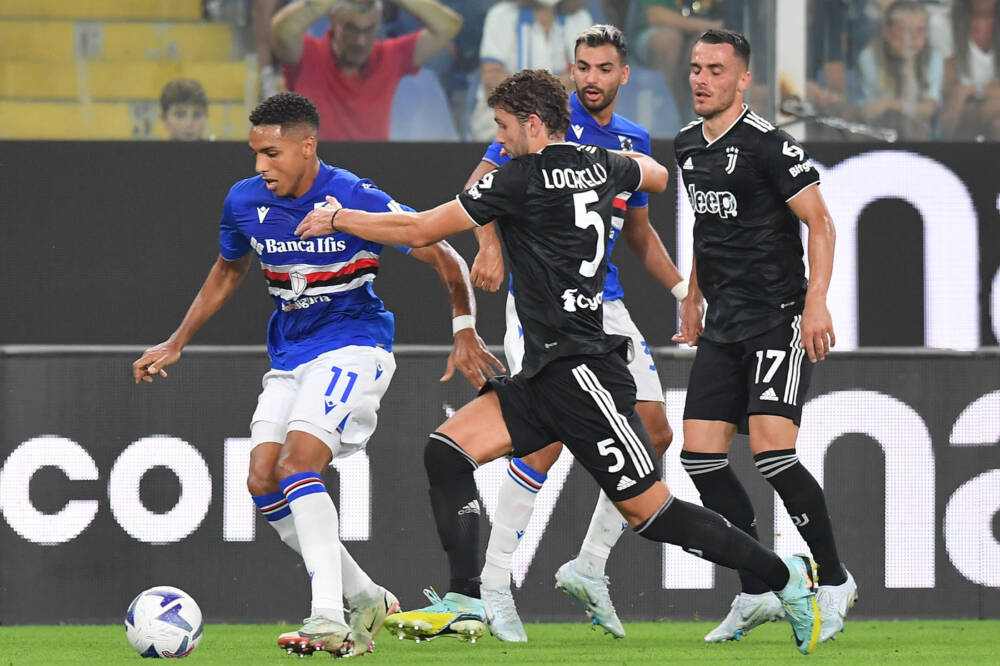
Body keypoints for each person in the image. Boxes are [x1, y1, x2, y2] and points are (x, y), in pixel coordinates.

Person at [296, 68, 824, 656]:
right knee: (445, 452)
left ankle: (782, 575)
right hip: (542, 373)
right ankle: (467, 598)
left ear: (531, 123)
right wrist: (616, 166)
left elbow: (420, 228)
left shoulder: (516, 179)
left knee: (655, 515)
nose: (499, 141)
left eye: (503, 127)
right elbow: (656, 176)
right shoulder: (604, 162)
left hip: (583, 374)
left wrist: (339, 218)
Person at [132, 92, 502, 657]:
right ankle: (366, 596)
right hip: (289, 359)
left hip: (355, 348)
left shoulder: (351, 196)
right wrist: (177, 340)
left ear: (308, 146)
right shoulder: (244, 200)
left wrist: (465, 328)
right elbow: (229, 268)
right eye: (256, 153)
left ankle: (327, 616)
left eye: (272, 153)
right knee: (262, 481)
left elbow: (442, 253)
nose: (261, 166)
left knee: (297, 464)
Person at [462, 24, 688, 642]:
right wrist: (489, 245)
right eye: (582, 67)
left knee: (655, 431)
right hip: (542, 309)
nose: (590, 78)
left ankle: (588, 566)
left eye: (603, 68)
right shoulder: (541, 127)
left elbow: (638, 233)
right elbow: (478, 188)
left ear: (623, 75)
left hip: (603, 305)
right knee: (544, 441)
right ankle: (492, 585)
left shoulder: (632, 141)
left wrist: (681, 292)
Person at [673, 29, 857, 644]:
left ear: (743, 79)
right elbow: (706, 228)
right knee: (699, 457)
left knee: (773, 453)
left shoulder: (769, 145)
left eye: (716, 70)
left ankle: (834, 579)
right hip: (723, 324)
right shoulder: (687, 145)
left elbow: (821, 223)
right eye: (696, 68)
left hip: (777, 317)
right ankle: (756, 590)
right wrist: (694, 294)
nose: (702, 79)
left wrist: (815, 302)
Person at [270, 0, 462, 141]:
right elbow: (281, 31)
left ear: (378, 27)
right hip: (316, 172)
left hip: (371, 170)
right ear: (334, 22)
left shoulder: (389, 56)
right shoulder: (308, 55)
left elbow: (448, 27)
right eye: (351, 29)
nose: (360, 41)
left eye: (369, 30)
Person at [468, 0, 594, 140]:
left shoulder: (580, 18)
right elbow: (492, 79)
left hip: (563, 118)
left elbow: (587, 77)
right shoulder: (502, 15)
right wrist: (557, 88)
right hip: (507, 116)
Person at [854, 0, 944, 139]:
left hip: (920, 133)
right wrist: (904, 107)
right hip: (878, 131)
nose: (913, 37)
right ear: (886, 32)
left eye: (920, 30)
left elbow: (927, 110)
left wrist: (890, 104)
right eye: (905, 30)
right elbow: (870, 111)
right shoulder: (869, 57)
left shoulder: (933, 58)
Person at [939, 0, 1000, 139]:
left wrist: (972, 90)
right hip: (960, 110)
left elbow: (963, 91)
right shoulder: (943, 23)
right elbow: (951, 90)